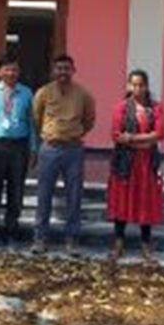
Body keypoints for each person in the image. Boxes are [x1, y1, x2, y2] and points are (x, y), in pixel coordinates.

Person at [31, 54, 96, 255]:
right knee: (44, 195)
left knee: (74, 196)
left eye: (66, 68)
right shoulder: (43, 93)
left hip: (73, 150)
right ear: (53, 71)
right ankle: (40, 238)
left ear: (73, 70)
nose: (62, 72)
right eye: (59, 68)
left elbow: (89, 121)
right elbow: (36, 117)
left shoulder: (83, 94)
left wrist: (72, 135)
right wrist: (51, 135)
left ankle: (72, 239)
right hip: (50, 148)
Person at [0, 52, 37, 250]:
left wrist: (33, 149)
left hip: (19, 146)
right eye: (7, 69)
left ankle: (11, 231)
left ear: (19, 72)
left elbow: (32, 124)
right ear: (0, 71)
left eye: (15, 69)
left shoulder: (27, 93)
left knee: (16, 190)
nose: (11, 73)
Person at [106, 69, 164, 265]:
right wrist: (142, 141)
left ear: (146, 86)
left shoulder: (155, 108)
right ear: (129, 85)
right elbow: (116, 135)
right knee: (122, 199)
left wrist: (131, 138)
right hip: (125, 162)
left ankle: (146, 244)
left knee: (145, 201)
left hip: (147, 163)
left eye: (141, 84)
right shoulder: (121, 108)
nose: (137, 88)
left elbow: (159, 135)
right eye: (133, 84)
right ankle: (118, 242)